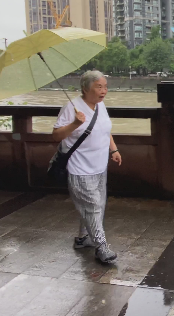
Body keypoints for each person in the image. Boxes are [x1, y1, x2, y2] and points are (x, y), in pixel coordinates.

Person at [52, 70, 122, 263]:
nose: (104, 91)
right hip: (80, 168)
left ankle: (83, 238)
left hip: (100, 166)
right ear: (85, 88)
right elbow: (56, 135)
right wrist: (75, 123)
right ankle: (102, 247)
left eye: (105, 86)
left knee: (97, 204)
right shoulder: (72, 107)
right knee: (92, 207)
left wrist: (113, 150)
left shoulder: (100, 106)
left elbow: (105, 130)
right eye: (99, 86)